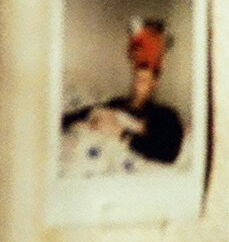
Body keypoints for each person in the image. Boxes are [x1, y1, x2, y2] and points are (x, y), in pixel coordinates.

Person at [60, 19, 186, 168]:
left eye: (144, 80)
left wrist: (120, 132)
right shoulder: (116, 103)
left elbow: (168, 154)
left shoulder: (165, 115)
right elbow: (71, 118)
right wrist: (88, 120)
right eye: (137, 78)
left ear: (154, 83)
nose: (138, 84)